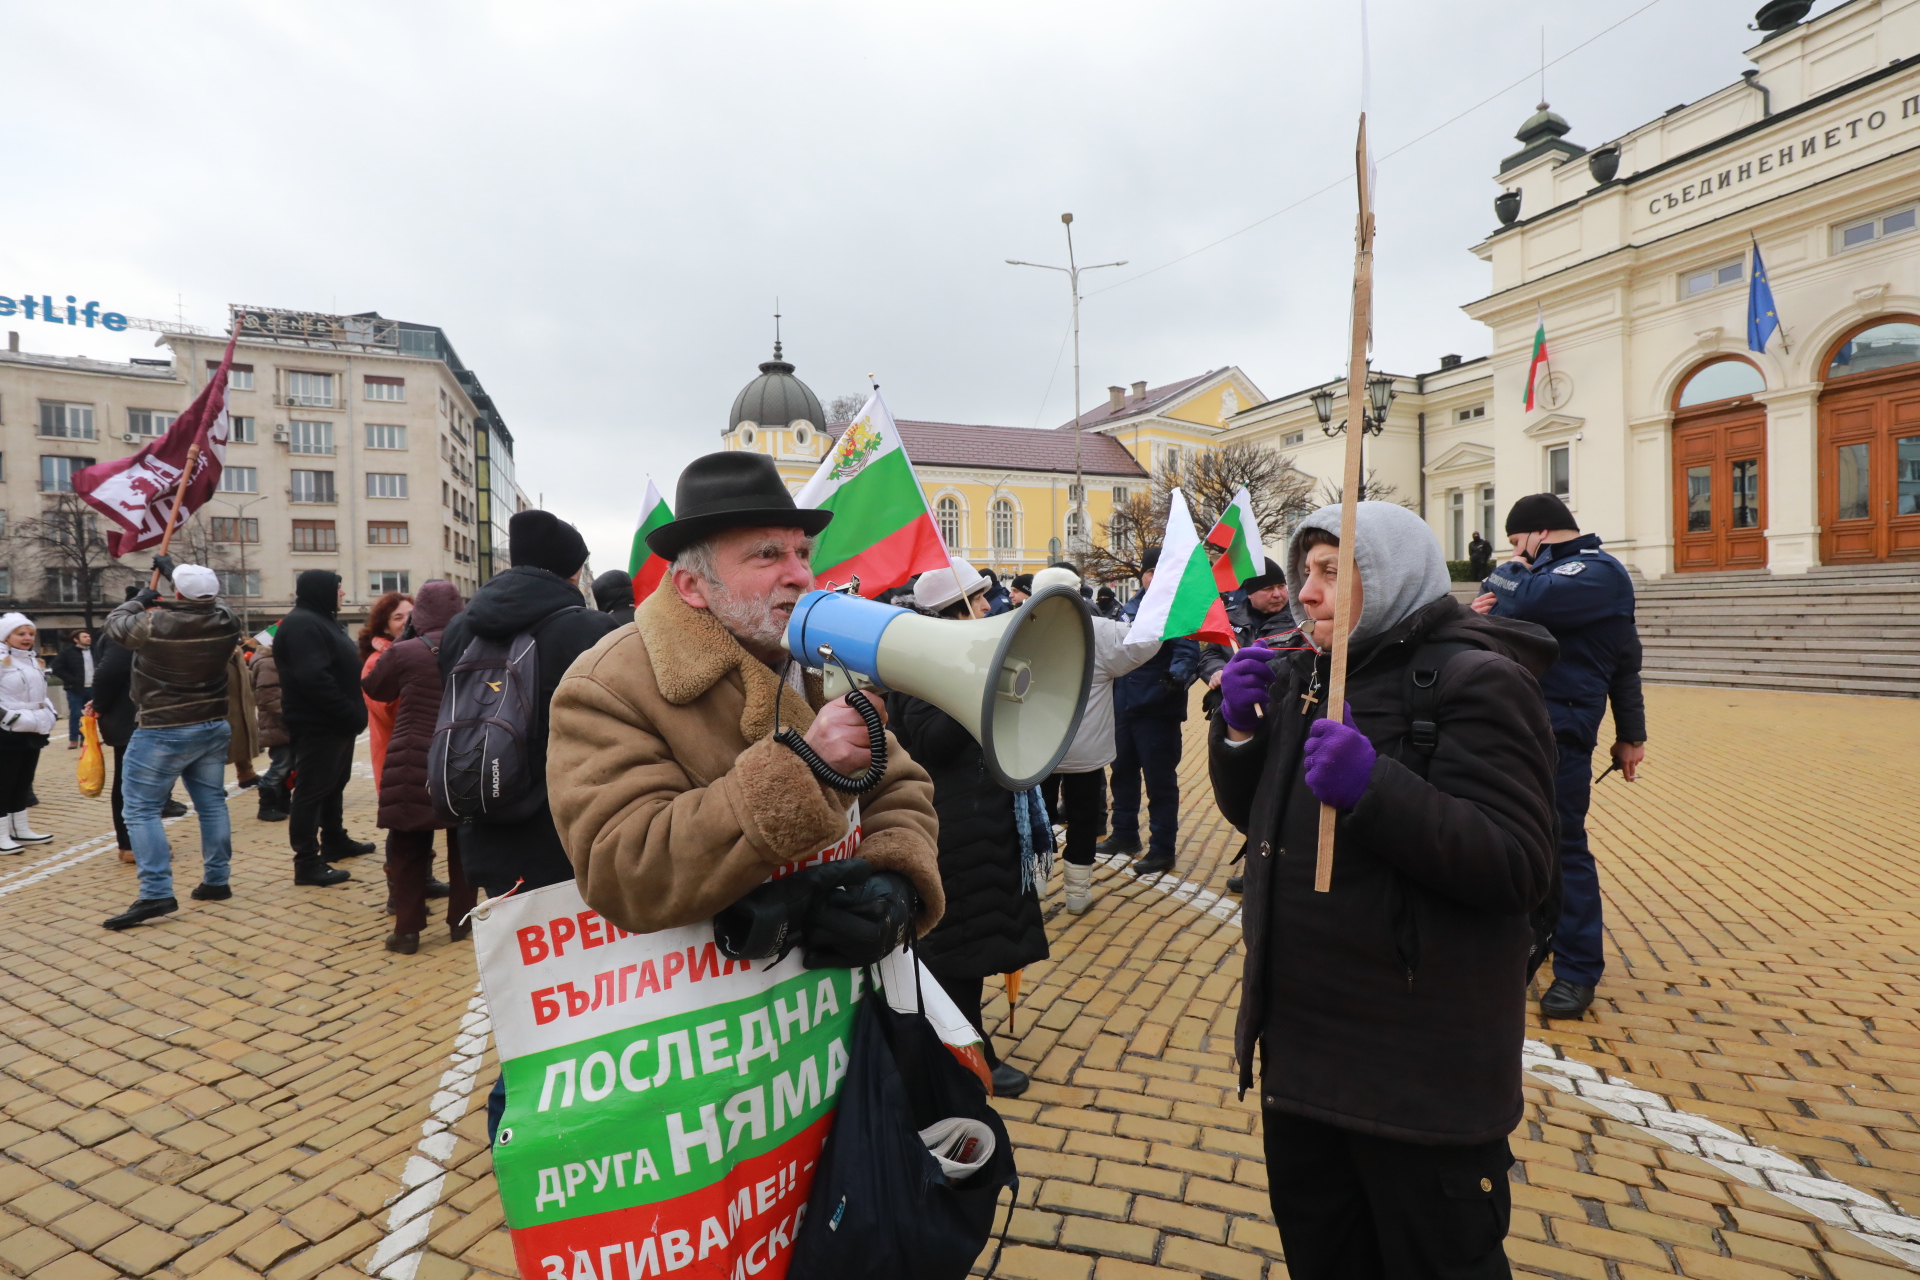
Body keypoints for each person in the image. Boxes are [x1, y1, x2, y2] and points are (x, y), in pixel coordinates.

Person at [545, 453, 942, 1145]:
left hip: (823, 1037)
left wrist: (895, 881)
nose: (799, 573)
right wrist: (806, 768)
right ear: (693, 585)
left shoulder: (818, 659)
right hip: (698, 1063)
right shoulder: (608, 684)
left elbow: (901, 783)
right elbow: (622, 865)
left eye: (801, 553)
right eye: (766, 554)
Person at [1211, 501, 1558, 1279]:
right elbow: (1261, 821)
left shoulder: (1478, 681)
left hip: (1415, 1082)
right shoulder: (1307, 676)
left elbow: (1517, 865)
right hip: (1302, 1062)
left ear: (1391, 576)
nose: (1305, 592)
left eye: (1331, 571)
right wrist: (1239, 734)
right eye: (1306, 572)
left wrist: (1376, 788)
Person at [1472, 493, 1645, 1021]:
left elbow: (1622, 664)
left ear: (1537, 533)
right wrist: (1481, 612)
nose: (1514, 554)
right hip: (1507, 724)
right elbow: (1495, 613)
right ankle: (1529, 938)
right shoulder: (1540, 576)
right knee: (1508, 836)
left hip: (1559, 731)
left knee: (1564, 845)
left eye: (1516, 542)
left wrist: (1629, 734)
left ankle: (1576, 969)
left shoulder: (1598, 573)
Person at [887, 555, 1045, 1098]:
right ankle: (965, 1052)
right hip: (955, 827)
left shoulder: (972, 654)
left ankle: (962, 1039)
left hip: (984, 823)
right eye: (976, 600)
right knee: (955, 951)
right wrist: (975, 687)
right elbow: (932, 743)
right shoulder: (918, 669)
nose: (988, 607)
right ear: (952, 612)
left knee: (973, 947)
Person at [101, 562, 244, 930]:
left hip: (163, 727)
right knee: (211, 803)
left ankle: (155, 893)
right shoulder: (228, 621)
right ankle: (217, 881)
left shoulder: (154, 623)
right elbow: (215, 601)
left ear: (176, 593)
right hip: (212, 724)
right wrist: (173, 580)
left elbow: (114, 626)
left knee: (140, 810)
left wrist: (136, 601)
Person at [1034, 565, 1160, 914]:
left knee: (1037, 816)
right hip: (1084, 747)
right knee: (1084, 818)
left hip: (1033, 748)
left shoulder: (1018, 628)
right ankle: (1077, 892)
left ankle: (1036, 884)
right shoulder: (1100, 632)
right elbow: (1146, 642)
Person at [364, 581, 473, 955]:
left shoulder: (406, 651)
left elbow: (375, 689)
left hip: (413, 756)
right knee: (464, 844)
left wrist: (402, 644)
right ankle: (463, 921)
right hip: (464, 755)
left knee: (409, 846)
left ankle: (407, 930)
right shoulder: (476, 644)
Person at [1197, 557, 1304, 894]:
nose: (1279, 594)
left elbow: (1290, 661)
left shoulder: (1299, 622)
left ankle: (1270, 864)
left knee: (1276, 793)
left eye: (1281, 586)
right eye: (1269, 588)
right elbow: (1210, 655)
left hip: (1279, 719)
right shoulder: (1231, 621)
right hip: (1238, 723)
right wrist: (1216, 672)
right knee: (1244, 792)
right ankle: (1256, 861)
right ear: (1250, 593)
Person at [1102, 547, 1201, 877]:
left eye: (1161, 570)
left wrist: (1178, 678)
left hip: (1157, 709)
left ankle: (1162, 848)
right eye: (1150, 570)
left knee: (1160, 783)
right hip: (1123, 706)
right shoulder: (1128, 608)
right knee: (1122, 773)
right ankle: (1125, 833)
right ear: (1142, 574)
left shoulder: (1177, 610)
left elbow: (1187, 653)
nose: (1154, 576)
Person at [274, 570, 374, 887]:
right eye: (338, 589)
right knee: (311, 791)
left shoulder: (320, 620)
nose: (342, 594)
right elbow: (313, 678)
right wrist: (347, 712)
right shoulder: (302, 624)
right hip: (320, 724)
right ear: (321, 591)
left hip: (336, 724)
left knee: (333, 785)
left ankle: (335, 839)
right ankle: (306, 862)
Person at [0, 614, 57, 855]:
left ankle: (20, 828)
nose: (27, 638)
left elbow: (39, 694)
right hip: (6, 730)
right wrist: (7, 717)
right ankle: (1, 834)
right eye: (20, 634)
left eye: (30, 634)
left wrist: (50, 712)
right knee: (4, 782)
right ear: (6, 636)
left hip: (32, 728)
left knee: (23, 780)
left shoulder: (33, 661)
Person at [89, 623, 137, 862]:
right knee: (130, 782)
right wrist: (99, 704)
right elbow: (111, 672)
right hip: (130, 719)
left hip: (133, 718)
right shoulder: (124, 632)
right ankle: (129, 843)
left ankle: (134, 840)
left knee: (132, 781)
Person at [359, 591, 413, 793]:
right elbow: (392, 714)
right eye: (398, 617)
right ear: (384, 627)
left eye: (412, 615)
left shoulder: (420, 653)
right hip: (397, 761)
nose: (407, 621)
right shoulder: (377, 663)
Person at [250, 626, 290, 822]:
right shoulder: (268, 664)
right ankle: (266, 805)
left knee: (288, 763)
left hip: (281, 723)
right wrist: (290, 714)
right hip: (278, 724)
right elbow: (269, 697)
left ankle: (282, 801)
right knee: (280, 765)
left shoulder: (273, 661)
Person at [50, 630, 95, 750]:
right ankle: (73, 739)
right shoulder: (67, 652)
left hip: (93, 687)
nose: (88, 638)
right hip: (75, 688)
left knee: (91, 715)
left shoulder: (95, 651)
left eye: (89, 636)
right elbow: (56, 667)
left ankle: (87, 739)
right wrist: (71, 680)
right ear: (76, 639)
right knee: (76, 714)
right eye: (85, 636)